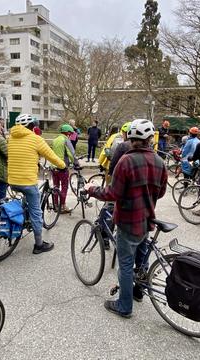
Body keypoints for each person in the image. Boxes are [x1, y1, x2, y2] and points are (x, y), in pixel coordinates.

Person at [85, 119, 168, 318]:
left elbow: (112, 193)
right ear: (150, 139)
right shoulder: (159, 161)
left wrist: (92, 189)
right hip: (147, 219)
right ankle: (139, 292)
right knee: (142, 258)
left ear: (130, 138)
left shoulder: (126, 161)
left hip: (128, 221)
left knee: (125, 264)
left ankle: (124, 306)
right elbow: (162, 192)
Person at [7, 113, 65, 254]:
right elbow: (51, 155)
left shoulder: (11, 138)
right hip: (27, 181)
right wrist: (63, 166)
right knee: (36, 211)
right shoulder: (35, 138)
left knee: (25, 198)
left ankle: (21, 221)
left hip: (12, 180)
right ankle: (39, 244)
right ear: (31, 126)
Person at [52, 124, 80, 214]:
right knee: (64, 187)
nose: (70, 135)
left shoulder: (55, 140)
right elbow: (71, 153)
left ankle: (55, 205)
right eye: (70, 133)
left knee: (56, 186)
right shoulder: (65, 140)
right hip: (62, 167)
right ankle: (63, 206)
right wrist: (76, 163)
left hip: (53, 167)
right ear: (67, 132)